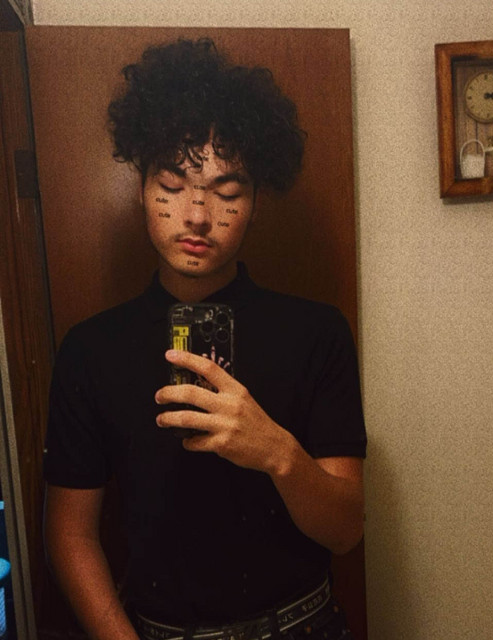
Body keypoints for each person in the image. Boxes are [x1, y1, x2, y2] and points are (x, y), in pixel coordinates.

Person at [43, 38, 367, 640]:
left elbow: (346, 531)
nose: (196, 215)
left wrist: (276, 452)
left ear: (255, 203)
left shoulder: (316, 332)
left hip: (302, 625)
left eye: (227, 192)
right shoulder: (90, 351)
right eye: (172, 184)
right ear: (141, 188)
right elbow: (69, 533)